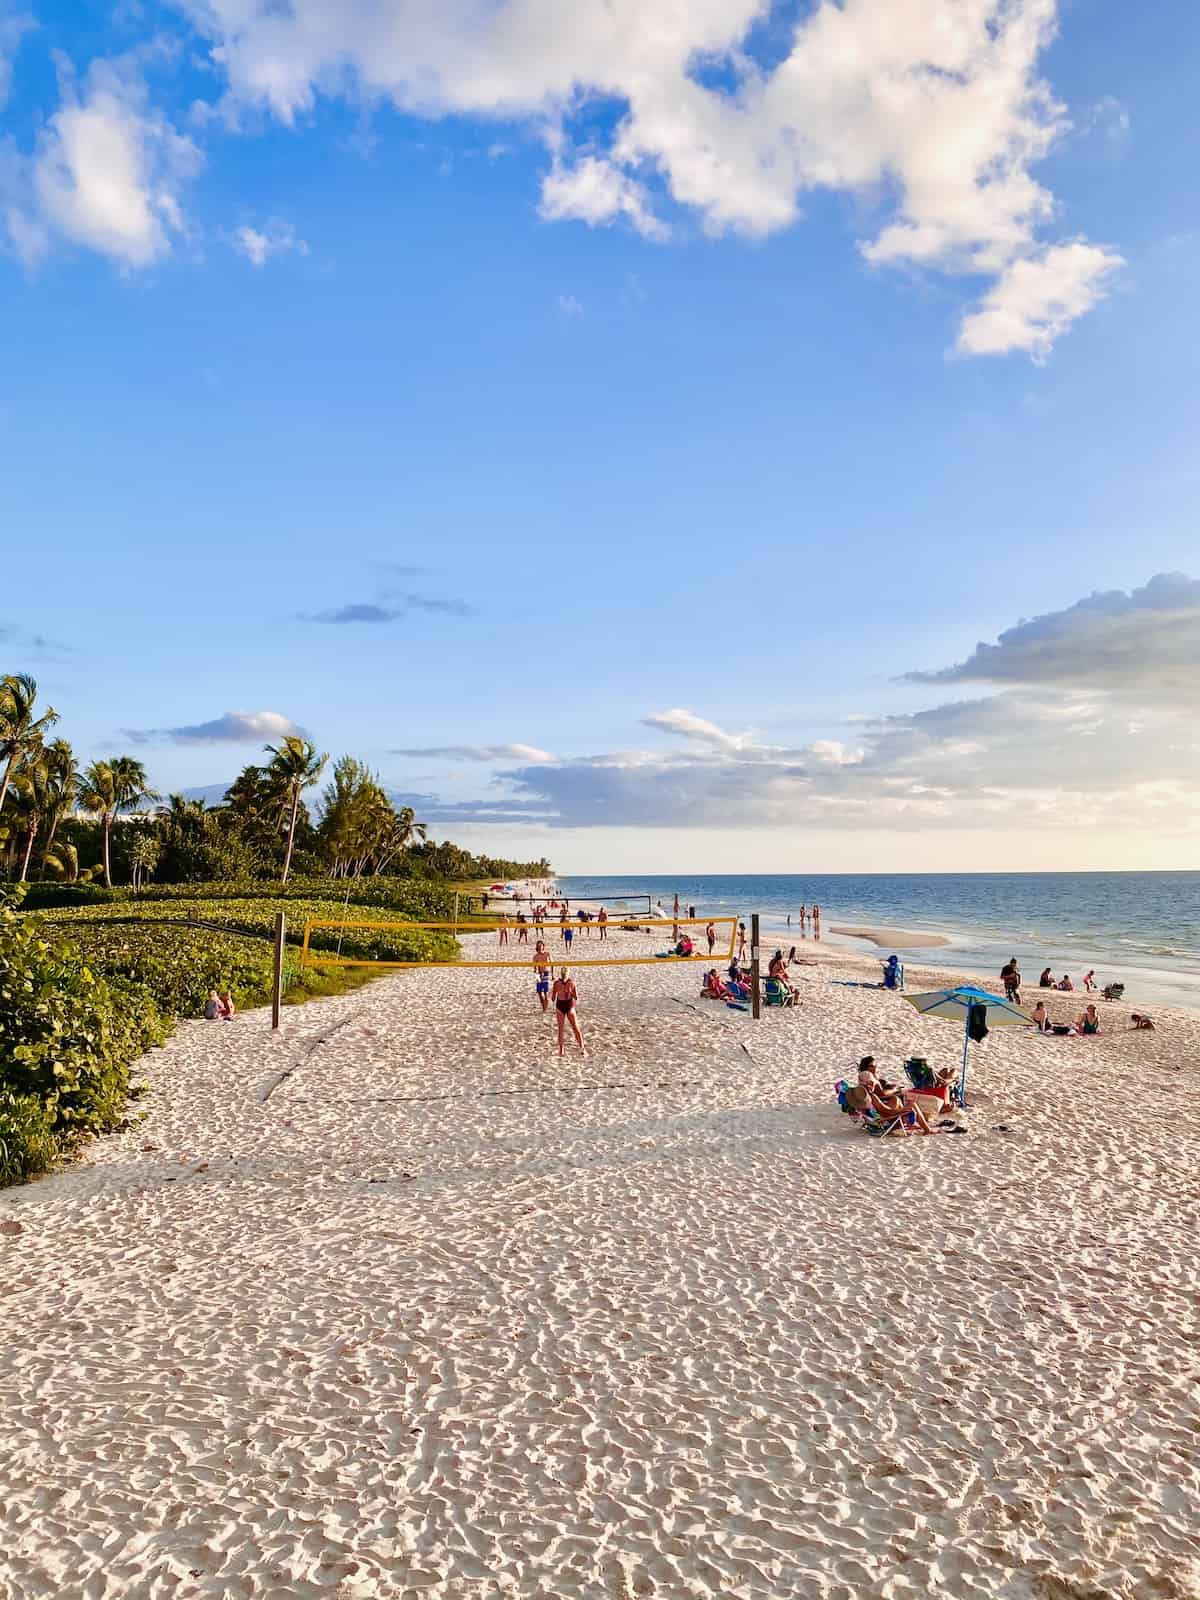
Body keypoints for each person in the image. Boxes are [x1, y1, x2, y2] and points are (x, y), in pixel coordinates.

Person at [552, 968, 583, 1056]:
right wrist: (557, 991)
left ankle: (582, 1047)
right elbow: (553, 998)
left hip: (569, 1005)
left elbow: (576, 997)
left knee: (575, 1027)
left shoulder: (571, 982)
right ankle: (561, 1049)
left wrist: (570, 992)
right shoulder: (557, 983)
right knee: (561, 1029)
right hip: (560, 1006)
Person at [533, 941, 552, 1013]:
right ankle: (543, 1006)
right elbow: (534, 968)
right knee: (540, 993)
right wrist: (536, 975)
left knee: (546, 992)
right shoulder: (535, 956)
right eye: (539, 946)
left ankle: (545, 1009)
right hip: (539, 974)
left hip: (546, 973)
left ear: (543, 946)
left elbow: (552, 964)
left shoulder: (547, 954)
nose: (540, 947)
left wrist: (553, 975)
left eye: (541, 945)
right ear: (537, 947)